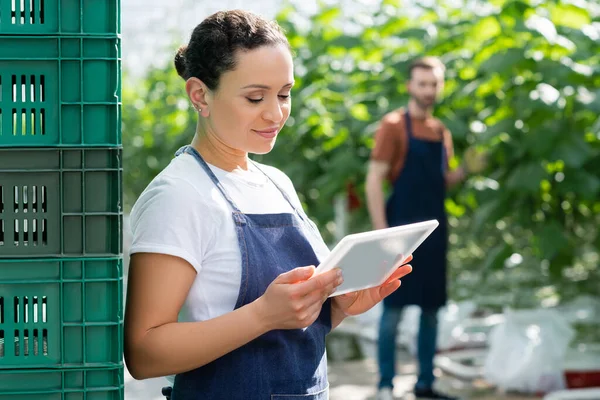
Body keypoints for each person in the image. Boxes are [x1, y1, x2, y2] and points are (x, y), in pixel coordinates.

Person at [124, 10, 413, 400]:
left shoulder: (277, 183)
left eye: (284, 94)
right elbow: (144, 353)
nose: (276, 113)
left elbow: (289, 334)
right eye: (255, 97)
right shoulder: (178, 196)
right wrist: (262, 315)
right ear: (199, 95)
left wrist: (341, 305)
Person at [366, 57, 482, 400]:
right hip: (400, 232)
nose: (429, 90)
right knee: (392, 311)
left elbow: (441, 182)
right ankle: (386, 385)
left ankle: (425, 384)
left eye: (434, 84)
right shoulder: (393, 126)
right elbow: (374, 181)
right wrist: (382, 234)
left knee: (431, 311)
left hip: (434, 232)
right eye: (422, 84)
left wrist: (466, 171)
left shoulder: (440, 131)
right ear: (409, 86)